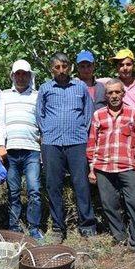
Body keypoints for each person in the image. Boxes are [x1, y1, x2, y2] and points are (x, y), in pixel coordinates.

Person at [37, 52, 97, 243]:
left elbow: (88, 114)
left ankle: (87, 226)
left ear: (70, 67)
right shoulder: (45, 88)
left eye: (64, 66)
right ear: (51, 68)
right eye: (57, 67)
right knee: (53, 185)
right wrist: (48, 131)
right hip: (52, 143)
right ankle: (57, 227)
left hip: (77, 142)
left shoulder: (80, 87)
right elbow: (40, 115)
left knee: (81, 184)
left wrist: (81, 133)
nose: (61, 70)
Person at [87, 79, 135, 249]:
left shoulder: (133, 113)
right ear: (105, 95)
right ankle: (120, 238)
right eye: (110, 93)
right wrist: (92, 168)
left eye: (117, 92)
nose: (114, 96)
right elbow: (92, 143)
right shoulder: (98, 115)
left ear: (123, 93)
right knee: (109, 205)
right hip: (103, 167)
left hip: (127, 166)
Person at [99, 49, 135, 224]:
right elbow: (90, 80)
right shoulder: (110, 84)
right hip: (120, 142)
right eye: (121, 64)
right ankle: (124, 220)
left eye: (128, 64)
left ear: (133, 65)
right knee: (119, 184)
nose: (124, 68)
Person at [0, 60, 42, 239]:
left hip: (32, 149)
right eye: (18, 73)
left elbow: (41, 122)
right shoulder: (5, 95)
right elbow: (1, 122)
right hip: (11, 151)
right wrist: (1, 144)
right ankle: (14, 227)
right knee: (13, 192)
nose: (21, 77)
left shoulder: (37, 96)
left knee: (34, 191)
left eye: (24, 74)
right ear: (13, 75)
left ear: (30, 76)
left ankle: (33, 228)